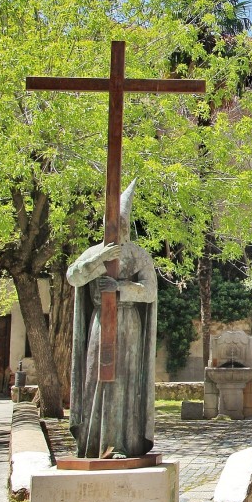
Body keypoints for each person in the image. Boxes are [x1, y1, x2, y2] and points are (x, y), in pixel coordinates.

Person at [67, 179, 157, 458]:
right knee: (97, 377)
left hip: (128, 324)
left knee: (126, 382)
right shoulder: (95, 252)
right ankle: (94, 442)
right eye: (111, 222)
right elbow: (74, 276)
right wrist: (98, 261)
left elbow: (151, 291)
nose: (116, 228)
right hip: (100, 324)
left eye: (120, 223)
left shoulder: (138, 255)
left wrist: (121, 289)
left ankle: (123, 443)